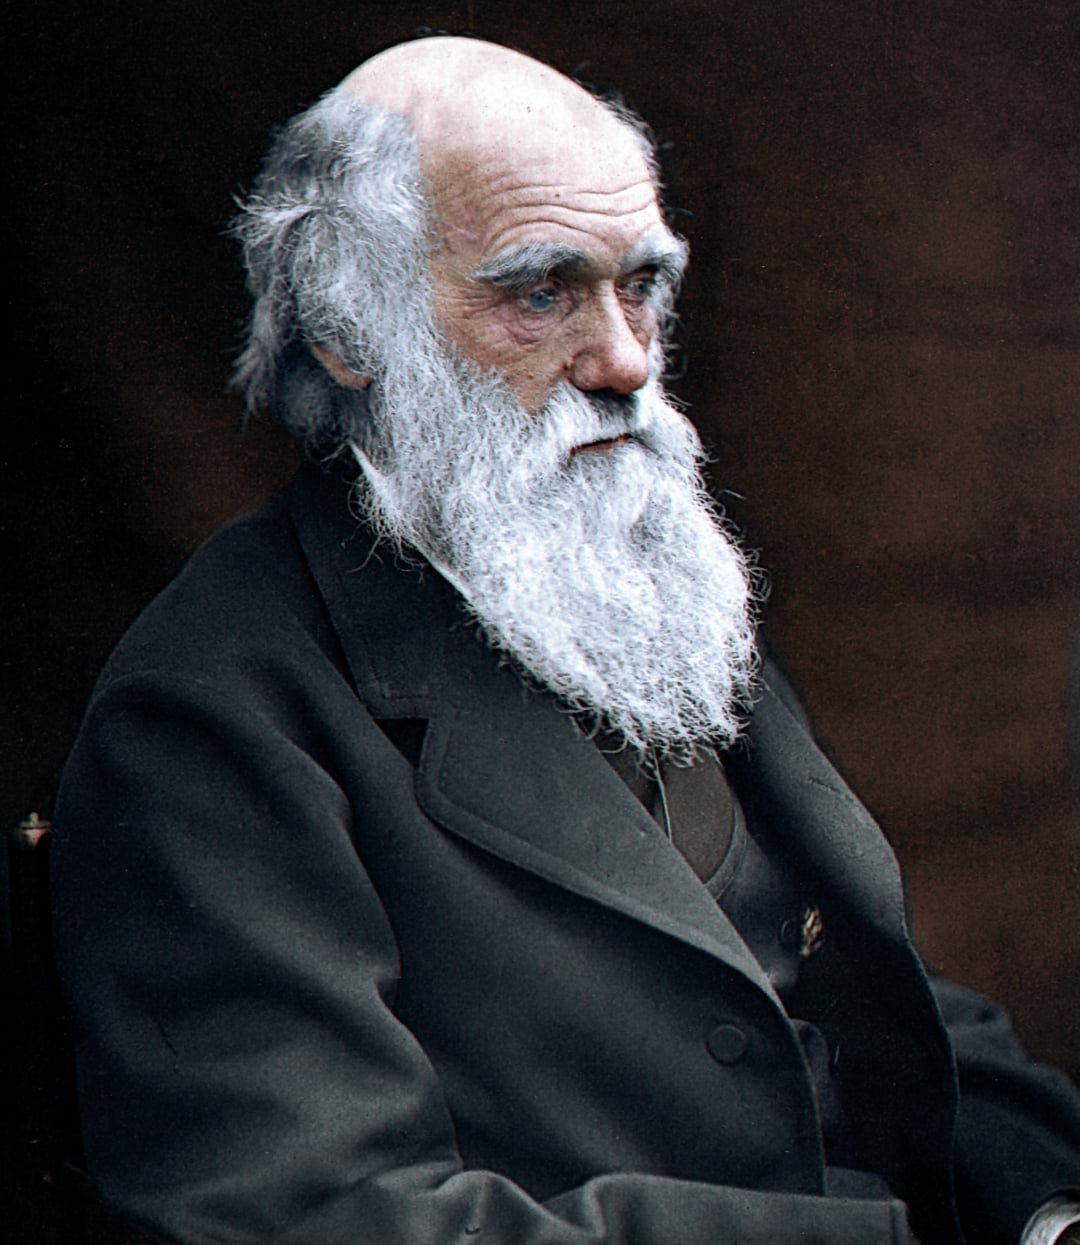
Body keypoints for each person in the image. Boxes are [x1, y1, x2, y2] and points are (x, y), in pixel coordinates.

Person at [52, 36, 1079, 1245]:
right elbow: (316, 1214)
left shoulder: (626, 575)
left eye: (640, 284)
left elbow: (870, 995)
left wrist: (1043, 1209)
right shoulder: (205, 718)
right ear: (345, 332)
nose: (626, 359)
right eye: (540, 292)